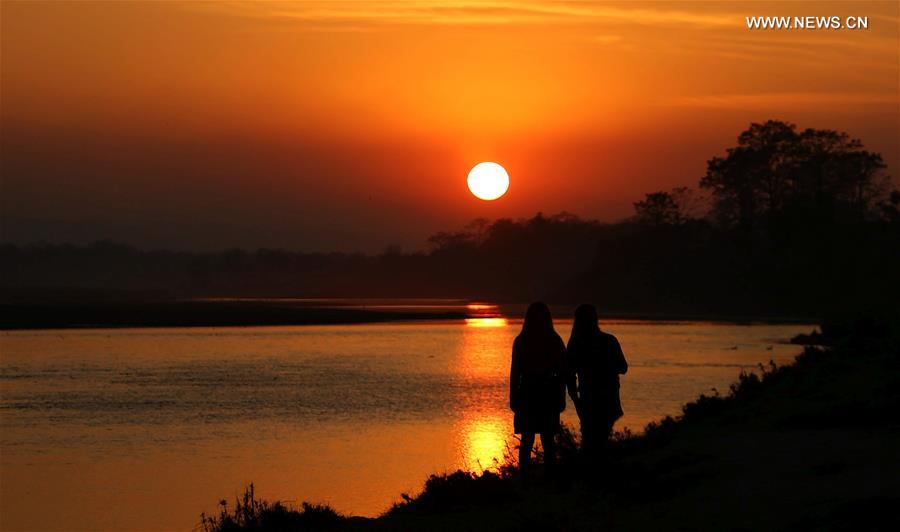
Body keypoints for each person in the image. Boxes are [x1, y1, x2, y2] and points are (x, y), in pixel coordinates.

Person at [509, 302, 567, 473]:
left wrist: (561, 396)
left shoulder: (526, 341)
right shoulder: (551, 340)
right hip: (533, 394)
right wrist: (513, 397)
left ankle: (537, 476)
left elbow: (562, 372)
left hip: (539, 393)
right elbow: (515, 372)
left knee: (544, 439)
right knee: (534, 439)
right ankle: (533, 476)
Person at [566, 304, 628, 459]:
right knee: (600, 441)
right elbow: (623, 367)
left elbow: (569, 375)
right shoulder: (609, 340)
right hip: (606, 399)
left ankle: (593, 475)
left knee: (590, 442)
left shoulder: (575, 344)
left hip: (590, 399)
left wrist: (576, 400)